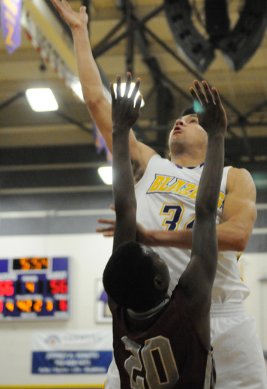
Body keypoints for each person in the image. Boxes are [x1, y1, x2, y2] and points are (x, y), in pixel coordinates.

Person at [47, 0, 267, 389]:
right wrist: (80, 33)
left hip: (220, 311)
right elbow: (99, 102)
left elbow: (237, 236)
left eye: (191, 119)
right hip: (148, 312)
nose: (180, 122)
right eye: (176, 121)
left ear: (212, 131)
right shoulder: (150, 164)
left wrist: (152, 237)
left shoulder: (234, 176)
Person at [106, 73, 225, 389]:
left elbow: (124, 210)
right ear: (160, 280)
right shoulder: (188, 307)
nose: (151, 248)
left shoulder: (121, 312)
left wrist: (120, 130)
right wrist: (218, 136)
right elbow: (206, 212)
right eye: (152, 255)